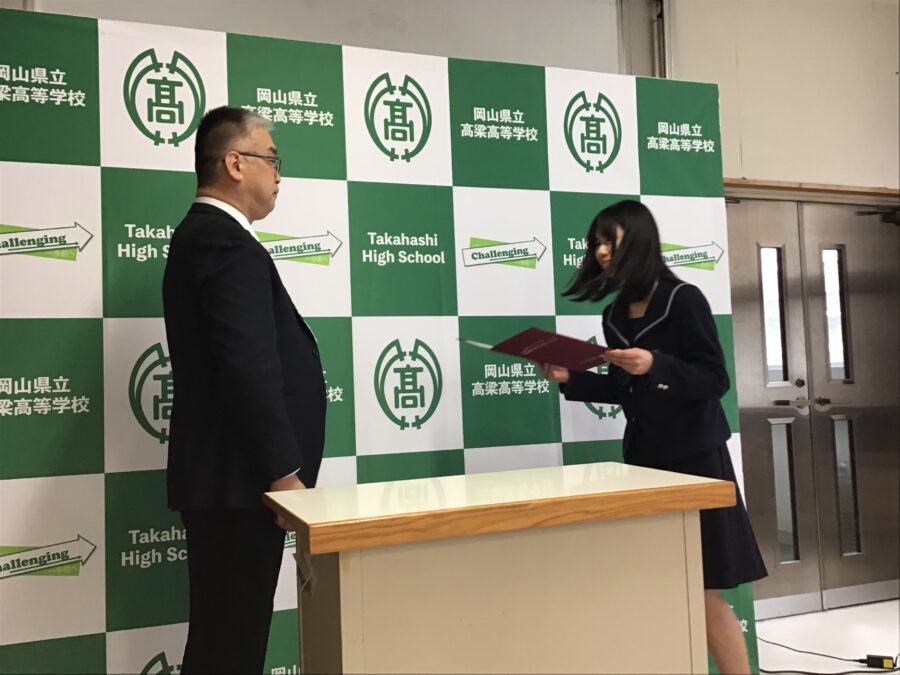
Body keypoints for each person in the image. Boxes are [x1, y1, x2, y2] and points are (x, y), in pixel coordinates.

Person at [541, 199, 766, 675]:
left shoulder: (683, 299)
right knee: (657, 581)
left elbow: (714, 380)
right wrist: (570, 379)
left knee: (702, 587)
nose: (601, 250)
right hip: (645, 461)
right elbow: (623, 389)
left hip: (696, 460)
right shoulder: (614, 314)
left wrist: (656, 365)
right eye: (596, 243)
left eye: (610, 239)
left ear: (639, 240)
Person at [163, 106, 326, 674]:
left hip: (232, 481)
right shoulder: (223, 241)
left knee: (226, 640)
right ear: (235, 163)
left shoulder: (210, 237)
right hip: (241, 483)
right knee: (230, 645)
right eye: (272, 159)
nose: (279, 175)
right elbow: (247, 367)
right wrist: (282, 472)